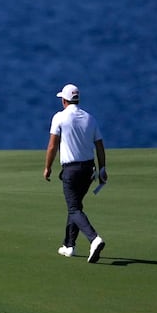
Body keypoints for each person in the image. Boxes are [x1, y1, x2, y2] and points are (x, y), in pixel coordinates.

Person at [42, 83, 108, 263]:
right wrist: (102, 168)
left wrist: (47, 167)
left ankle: (94, 239)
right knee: (75, 206)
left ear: (64, 100)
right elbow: (100, 145)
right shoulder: (90, 118)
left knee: (74, 208)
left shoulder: (59, 117)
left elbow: (52, 145)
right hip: (89, 170)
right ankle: (69, 245)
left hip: (71, 171)